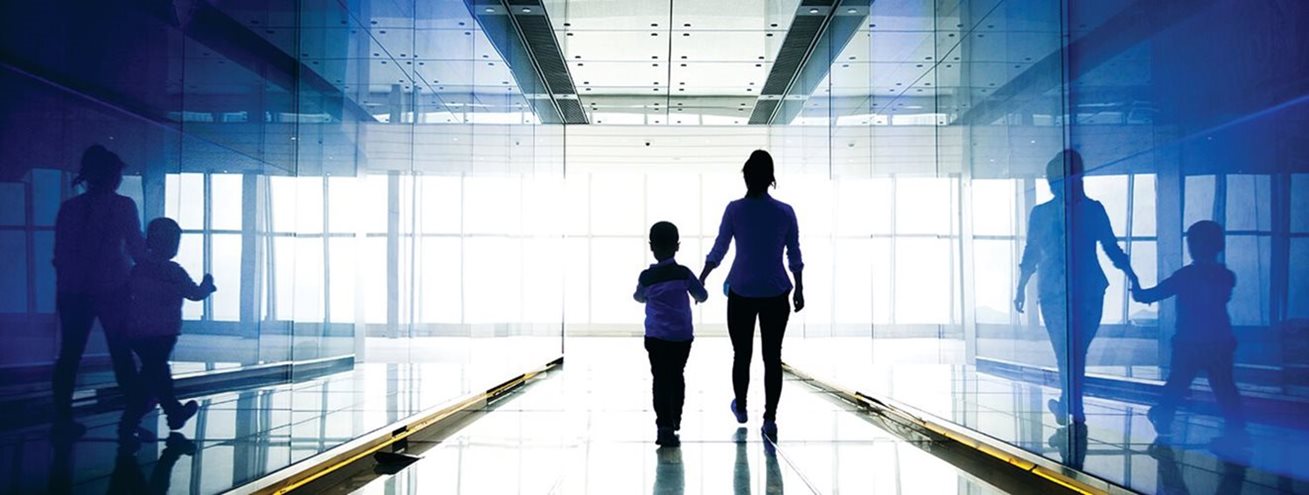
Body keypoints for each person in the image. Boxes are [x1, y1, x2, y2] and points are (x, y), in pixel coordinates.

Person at [1014, 149, 1137, 426]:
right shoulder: (1091, 209)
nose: (1051, 184)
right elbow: (1111, 249)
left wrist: (1021, 287)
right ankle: (1074, 407)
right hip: (1084, 290)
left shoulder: (1045, 213)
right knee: (1074, 351)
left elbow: (1031, 253)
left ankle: (1071, 404)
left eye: (1053, 179)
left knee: (1068, 351)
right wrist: (1133, 276)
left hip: (1061, 291)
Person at [699, 149, 804, 440]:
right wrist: (800, 287)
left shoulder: (734, 209)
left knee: (741, 354)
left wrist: (703, 277)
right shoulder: (785, 211)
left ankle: (742, 406)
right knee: (773, 356)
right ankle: (770, 418)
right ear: (770, 178)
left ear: (746, 176)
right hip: (776, 290)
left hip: (742, 292)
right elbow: (794, 253)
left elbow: (720, 248)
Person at [51, 144, 146, 436]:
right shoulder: (123, 205)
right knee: (121, 354)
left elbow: (60, 255)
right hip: (114, 288)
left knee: (70, 355)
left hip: (74, 291)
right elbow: (137, 248)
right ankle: (132, 420)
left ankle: (62, 419)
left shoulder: (70, 208)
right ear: (110, 175)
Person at [1132, 220, 1246, 447]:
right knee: (1225, 388)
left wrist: (1135, 285)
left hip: (1189, 342)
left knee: (1176, 385)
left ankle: (1163, 419)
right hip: (1220, 342)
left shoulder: (1184, 276)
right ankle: (1236, 431)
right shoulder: (1226, 276)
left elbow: (1149, 296)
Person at [118, 217, 214, 440]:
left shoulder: (138, 269)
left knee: (154, 375)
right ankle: (151, 417)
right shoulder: (174, 271)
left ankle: (165, 414)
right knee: (155, 376)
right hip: (164, 332)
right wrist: (207, 285)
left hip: (138, 333)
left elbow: (125, 298)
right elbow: (195, 294)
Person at [634, 221, 708, 447]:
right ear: (677, 246)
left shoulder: (647, 277)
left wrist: (648, 297)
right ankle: (676, 418)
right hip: (681, 337)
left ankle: (663, 425)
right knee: (677, 375)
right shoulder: (683, 273)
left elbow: (638, 297)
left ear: (651, 247)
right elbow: (702, 296)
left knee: (660, 377)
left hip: (656, 337)